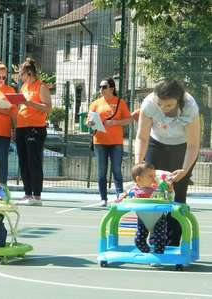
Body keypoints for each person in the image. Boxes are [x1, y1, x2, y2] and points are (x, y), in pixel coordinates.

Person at [135, 79, 200, 246]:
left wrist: (185, 170)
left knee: (177, 195)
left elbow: (193, 145)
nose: (164, 109)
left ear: (178, 100)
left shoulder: (190, 107)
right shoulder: (149, 103)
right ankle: (154, 241)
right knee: (149, 190)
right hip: (156, 144)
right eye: (161, 105)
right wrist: (138, 164)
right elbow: (142, 137)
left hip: (182, 147)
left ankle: (172, 244)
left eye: (169, 105)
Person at [86, 77, 131, 207]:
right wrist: (90, 123)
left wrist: (115, 122)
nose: (101, 89)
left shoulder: (120, 102)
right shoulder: (95, 103)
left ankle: (120, 197)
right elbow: (88, 121)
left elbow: (128, 120)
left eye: (104, 87)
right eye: (100, 87)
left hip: (116, 142)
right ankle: (103, 198)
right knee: (101, 171)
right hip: (99, 141)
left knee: (116, 170)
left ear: (112, 88)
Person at [14, 58, 52, 206]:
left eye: (21, 74)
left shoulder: (40, 86)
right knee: (23, 162)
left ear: (29, 73)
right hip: (21, 127)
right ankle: (27, 193)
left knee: (33, 161)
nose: (19, 77)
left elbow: (48, 108)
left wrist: (29, 103)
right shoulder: (24, 86)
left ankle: (36, 195)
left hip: (35, 128)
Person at [117, 163, 172, 254]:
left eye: (154, 176)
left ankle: (158, 256)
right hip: (143, 218)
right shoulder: (133, 190)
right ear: (139, 179)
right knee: (139, 241)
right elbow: (122, 197)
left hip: (158, 218)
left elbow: (170, 199)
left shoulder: (158, 189)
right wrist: (121, 197)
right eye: (150, 176)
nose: (154, 178)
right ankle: (149, 253)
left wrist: (170, 190)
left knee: (159, 240)